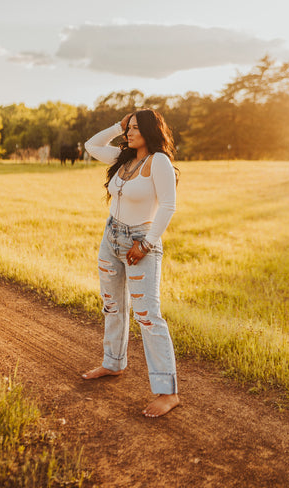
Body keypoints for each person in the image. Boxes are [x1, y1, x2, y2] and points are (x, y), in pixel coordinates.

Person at [82, 109, 180, 418]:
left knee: (148, 315)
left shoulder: (158, 162)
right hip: (111, 237)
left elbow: (168, 205)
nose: (130, 133)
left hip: (141, 243)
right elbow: (91, 146)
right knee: (112, 304)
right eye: (129, 127)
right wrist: (117, 125)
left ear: (151, 131)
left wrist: (146, 243)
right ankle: (113, 363)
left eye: (136, 128)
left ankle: (168, 392)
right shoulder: (124, 158)